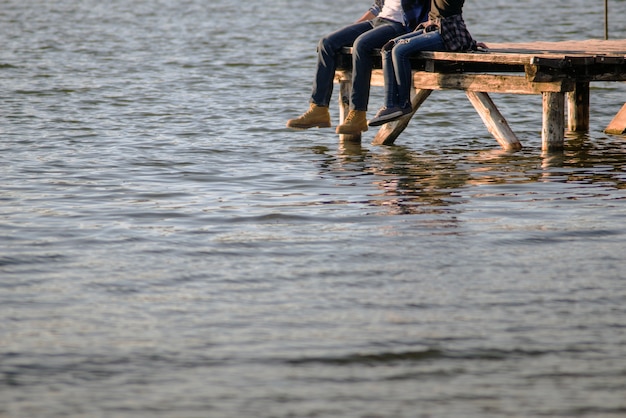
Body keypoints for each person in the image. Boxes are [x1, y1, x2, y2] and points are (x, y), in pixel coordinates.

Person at [286, 0, 430, 135]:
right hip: (378, 21)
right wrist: (353, 29)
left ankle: (358, 114)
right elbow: (378, 6)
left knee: (361, 45)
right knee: (327, 43)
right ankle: (318, 109)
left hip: (401, 26)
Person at [368, 0, 479, 127]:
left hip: (447, 31)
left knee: (400, 50)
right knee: (388, 48)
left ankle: (403, 104)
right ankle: (390, 105)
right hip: (432, 27)